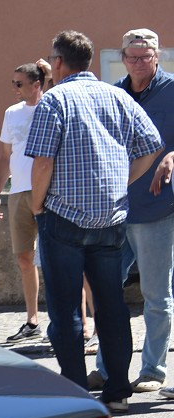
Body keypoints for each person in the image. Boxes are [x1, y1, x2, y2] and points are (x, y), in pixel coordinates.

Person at [25, 30, 163, 413]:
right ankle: (118, 390)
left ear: (57, 62)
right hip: (110, 218)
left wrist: (38, 205)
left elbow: (42, 162)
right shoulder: (117, 95)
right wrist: (122, 183)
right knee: (112, 305)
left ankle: (74, 393)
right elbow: (152, 146)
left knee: (67, 308)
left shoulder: (54, 100)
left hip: (63, 217)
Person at [99, 29, 174, 397]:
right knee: (107, 290)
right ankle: (106, 367)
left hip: (158, 207)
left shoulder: (173, 89)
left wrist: (173, 156)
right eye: (132, 56)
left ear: (157, 56)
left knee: (156, 295)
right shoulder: (114, 93)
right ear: (123, 57)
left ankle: (153, 369)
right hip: (116, 208)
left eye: (145, 56)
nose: (139, 62)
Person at [0, 62, 48, 343]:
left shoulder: (52, 105)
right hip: (18, 193)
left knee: (67, 258)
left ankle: (86, 322)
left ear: (36, 84)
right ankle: (32, 320)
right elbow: (6, 156)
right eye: (13, 83)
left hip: (48, 191)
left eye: (19, 83)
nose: (14, 88)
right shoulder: (11, 113)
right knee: (24, 257)